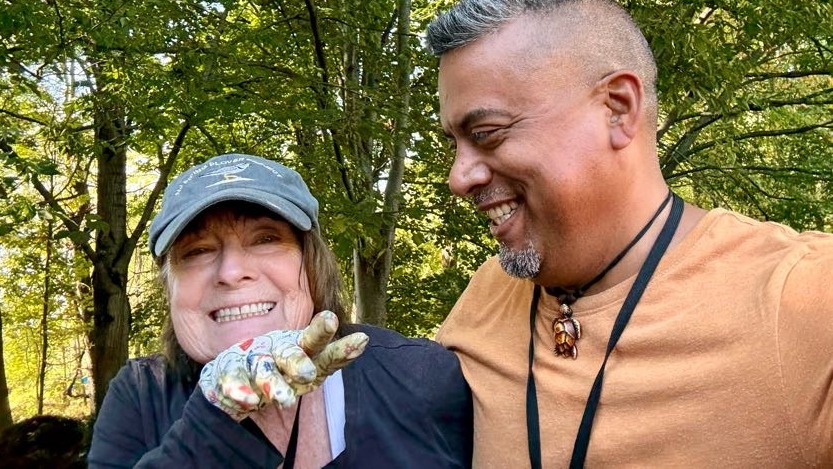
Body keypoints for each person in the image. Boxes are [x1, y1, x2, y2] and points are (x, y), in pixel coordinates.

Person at [426, 0, 833, 467]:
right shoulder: (482, 301)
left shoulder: (804, 300)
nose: (459, 178)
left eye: (488, 133)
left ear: (617, 109)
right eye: (453, 144)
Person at [88, 153, 473, 468]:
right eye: (198, 251)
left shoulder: (423, 378)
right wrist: (217, 423)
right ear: (169, 286)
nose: (232, 272)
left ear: (312, 264)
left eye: (266, 239)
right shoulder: (141, 395)